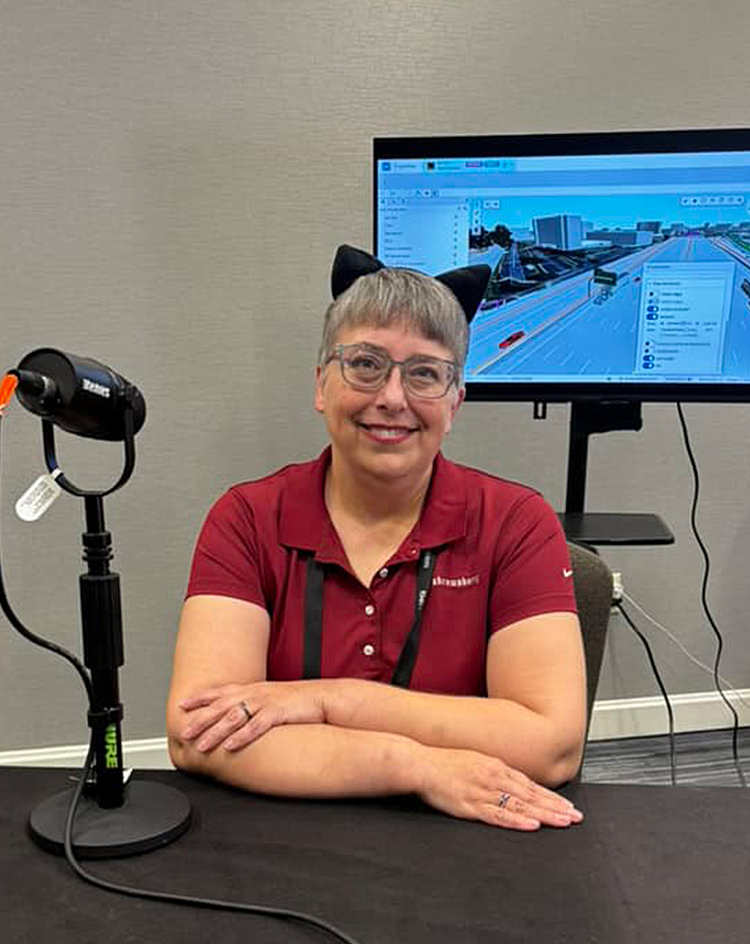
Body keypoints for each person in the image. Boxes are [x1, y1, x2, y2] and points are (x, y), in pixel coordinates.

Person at [166, 245, 587, 832]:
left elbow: (551, 746)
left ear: (455, 402)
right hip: (282, 834)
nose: (392, 397)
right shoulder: (246, 518)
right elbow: (199, 734)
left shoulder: (517, 522)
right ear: (321, 385)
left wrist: (325, 700)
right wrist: (415, 766)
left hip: (466, 840)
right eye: (365, 364)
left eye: (425, 373)